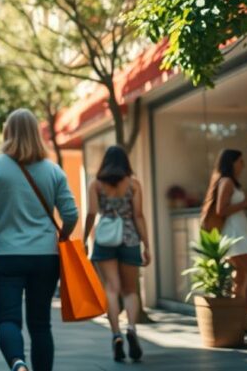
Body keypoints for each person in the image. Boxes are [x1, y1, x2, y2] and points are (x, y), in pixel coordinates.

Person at [0, 109, 78, 371]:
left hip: (4, 256)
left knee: (8, 321)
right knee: (41, 324)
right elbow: (71, 214)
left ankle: (18, 363)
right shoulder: (53, 171)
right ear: (37, 133)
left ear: (8, 131)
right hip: (45, 257)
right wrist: (61, 238)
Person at [83, 145, 150, 362]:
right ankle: (131, 328)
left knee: (111, 288)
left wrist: (84, 239)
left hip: (105, 238)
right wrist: (146, 245)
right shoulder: (133, 184)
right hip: (129, 237)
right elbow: (138, 215)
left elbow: (92, 213)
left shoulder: (96, 184)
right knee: (130, 291)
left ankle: (116, 335)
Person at [202, 148, 247, 338]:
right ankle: (242, 317)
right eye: (240, 161)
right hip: (233, 236)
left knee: (240, 279)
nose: (243, 165)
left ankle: (235, 320)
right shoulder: (227, 182)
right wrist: (246, 203)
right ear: (231, 163)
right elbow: (222, 210)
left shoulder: (230, 182)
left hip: (239, 234)